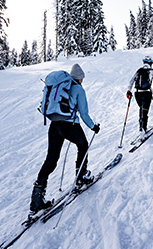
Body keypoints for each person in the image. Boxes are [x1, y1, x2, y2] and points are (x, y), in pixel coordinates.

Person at [29, 63, 100, 214]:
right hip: (70, 126)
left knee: (51, 160)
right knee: (83, 146)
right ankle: (81, 177)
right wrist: (93, 127)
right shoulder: (78, 89)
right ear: (80, 78)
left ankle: (37, 197)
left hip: (54, 126)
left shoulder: (59, 86)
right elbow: (84, 114)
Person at [126, 56, 153, 133]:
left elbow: (131, 81)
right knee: (145, 111)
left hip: (137, 93)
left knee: (141, 109)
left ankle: (141, 126)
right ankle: (144, 128)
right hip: (146, 93)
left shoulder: (139, 71)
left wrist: (129, 91)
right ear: (151, 63)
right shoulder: (152, 71)